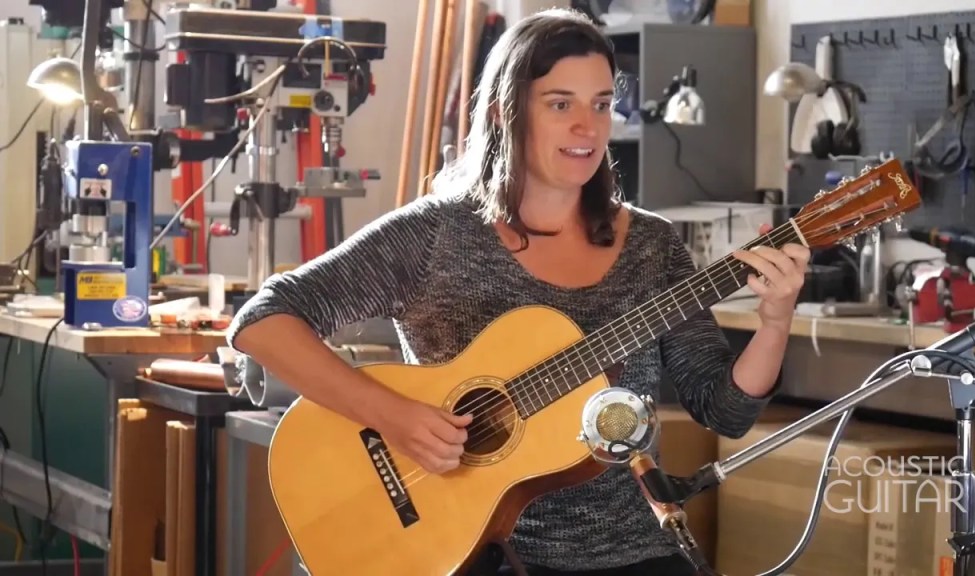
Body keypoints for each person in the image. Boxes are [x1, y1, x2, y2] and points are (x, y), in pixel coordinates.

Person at [226, 7, 809, 576]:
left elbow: (724, 410)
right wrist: (395, 417)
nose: (588, 127)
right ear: (507, 111)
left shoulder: (652, 246)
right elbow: (261, 320)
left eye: (601, 105)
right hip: (469, 552)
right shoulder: (435, 233)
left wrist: (776, 320)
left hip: (630, 551)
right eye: (561, 104)